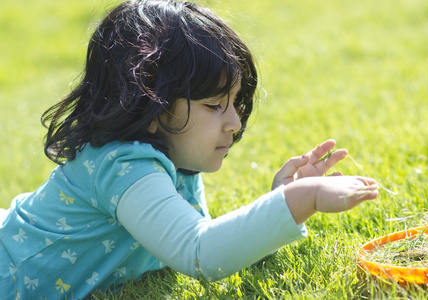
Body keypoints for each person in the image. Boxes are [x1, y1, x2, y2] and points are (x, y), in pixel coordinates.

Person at [0, 0, 379, 298]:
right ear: (149, 103)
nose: (234, 122)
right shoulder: (122, 166)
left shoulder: (173, 160)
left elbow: (214, 244)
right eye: (214, 106)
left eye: (235, 103)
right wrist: (302, 197)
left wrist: (279, 200)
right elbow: (201, 254)